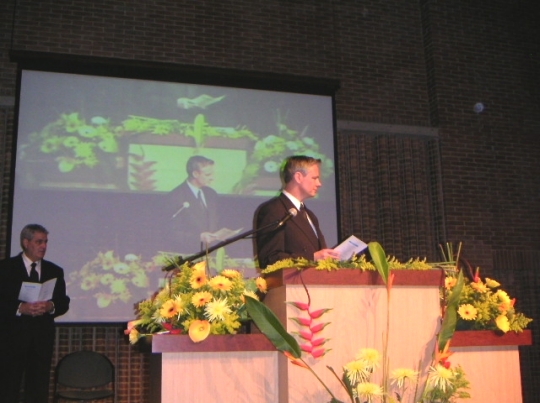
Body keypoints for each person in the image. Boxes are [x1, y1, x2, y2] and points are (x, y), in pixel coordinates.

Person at [0, 224, 70, 403]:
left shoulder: (54, 270)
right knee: (8, 390)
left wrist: (50, 306)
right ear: (26, 242)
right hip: (11, 341)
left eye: (45, 242)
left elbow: (63, 302)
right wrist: (20, 308)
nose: (44, 246)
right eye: (39, 242)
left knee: (38, 391)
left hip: (41, 341)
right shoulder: (5, 268)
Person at [255, 155, 339, 269]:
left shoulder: (310, 215)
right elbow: (269, 258)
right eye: (314, 178)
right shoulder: (274, 210)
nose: (319, 183)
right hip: (291, 280)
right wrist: (312, 257)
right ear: (298, 177)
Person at [167, 155, 238, 253]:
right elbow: (171, 232)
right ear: (195, 174)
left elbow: (216, 221)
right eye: (208, 175)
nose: (212, 178)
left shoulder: (211, 194)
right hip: (189, 253)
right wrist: (199, 237)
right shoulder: (176, 196)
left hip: (212, 252)